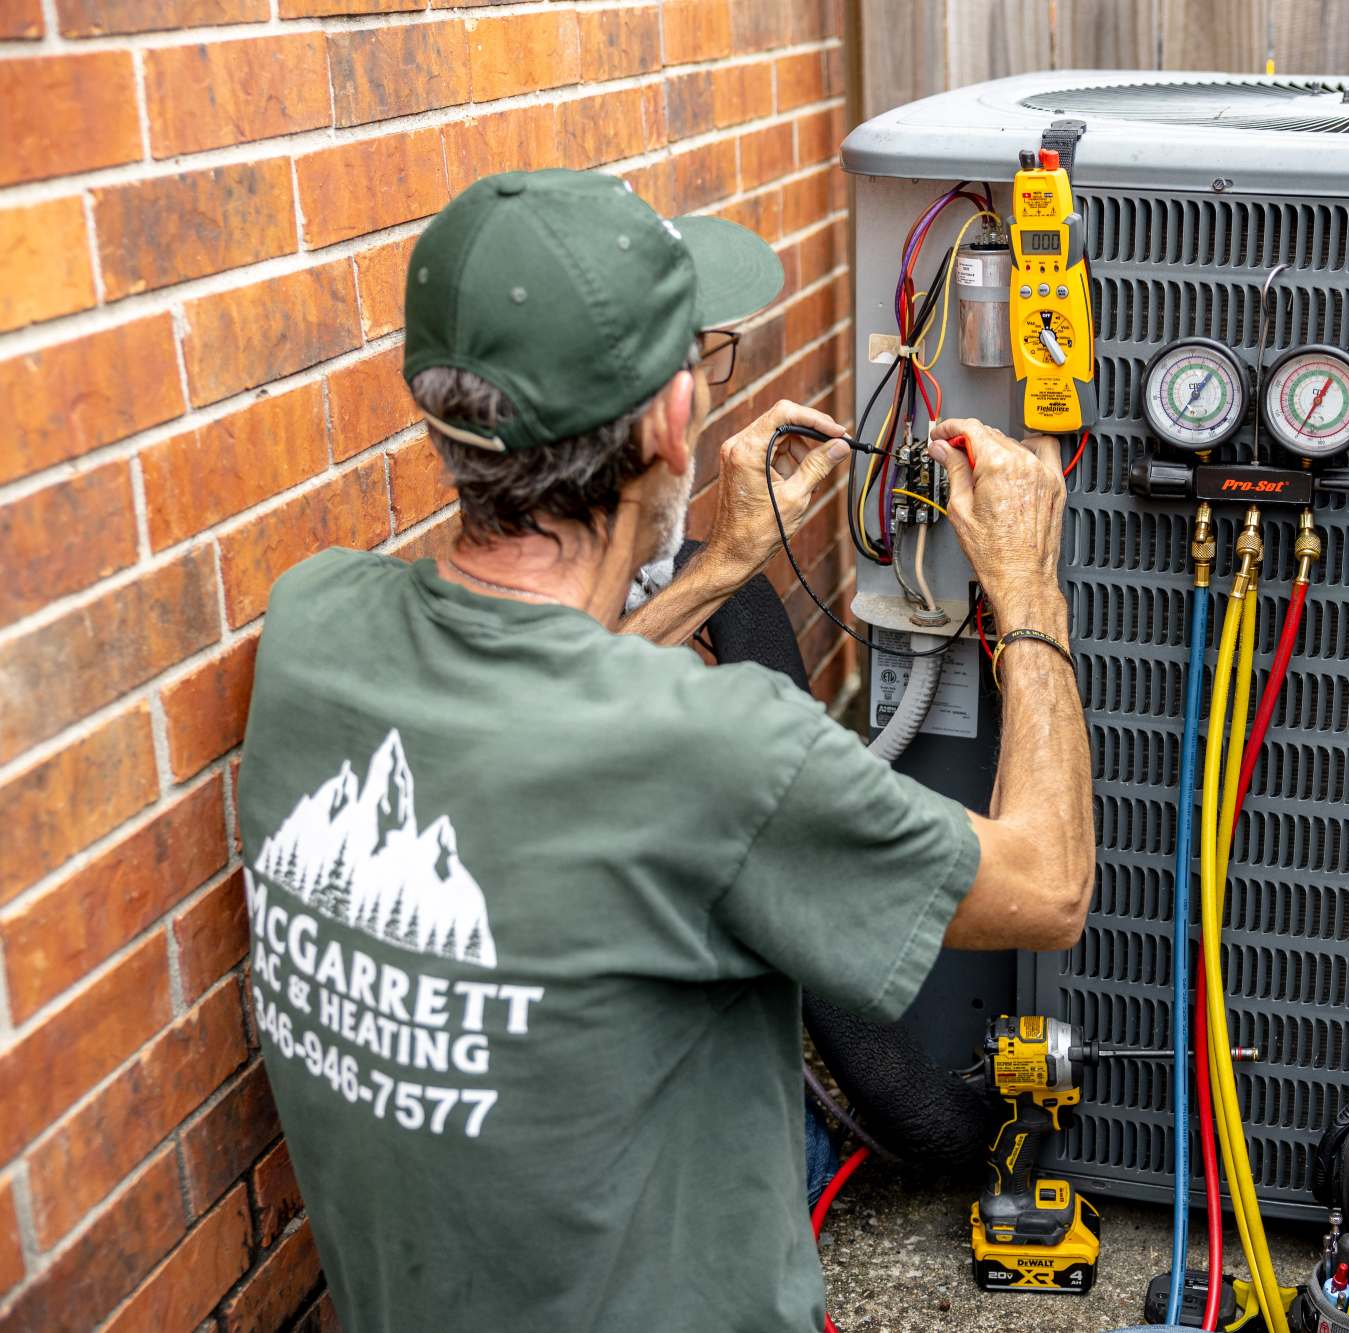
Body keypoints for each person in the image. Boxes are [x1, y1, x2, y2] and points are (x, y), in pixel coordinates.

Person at [234, 168, 1093, 1331]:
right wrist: (1029, 587)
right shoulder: (721, 747)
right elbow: (1047, 885)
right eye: (703, 358)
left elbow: (537, 693)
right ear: (670, 424)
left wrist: (724, 566)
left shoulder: (313, 624)